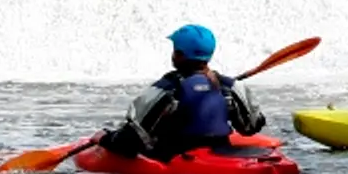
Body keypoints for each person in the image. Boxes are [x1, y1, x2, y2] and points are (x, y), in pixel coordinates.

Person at [97, 24, 266, 159]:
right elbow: (252, 127)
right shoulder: (229, 86)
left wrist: (105, 138)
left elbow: (130, 140)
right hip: (220, 151)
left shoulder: (166, 88)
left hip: (175, 159)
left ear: (179, 55)